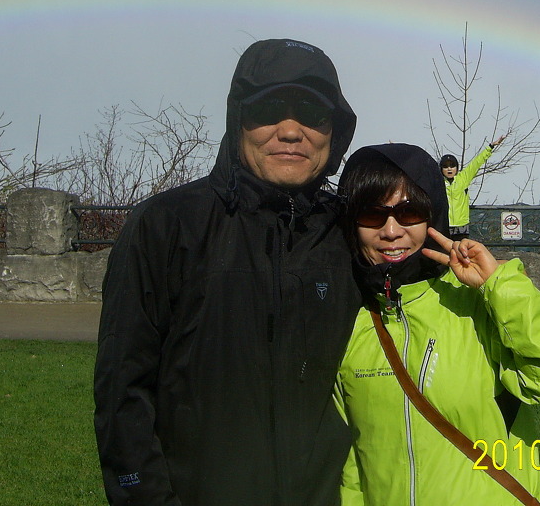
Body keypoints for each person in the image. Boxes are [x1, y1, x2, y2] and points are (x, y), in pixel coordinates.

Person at [94, 38, 360, 506]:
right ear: (238, 120)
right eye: (269, 109)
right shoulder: (166, 226)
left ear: (334, 132)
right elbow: (123, 392)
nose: (290, 131)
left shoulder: (350, 234)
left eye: (311, 113)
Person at [335, 143, 540, 506]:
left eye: (409, 212)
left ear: (433, 215)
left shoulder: (477, 301)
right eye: (372, 214)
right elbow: (353, 464)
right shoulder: (348, 320)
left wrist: (499, 285)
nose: (391, 231)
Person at [440, 133, 507, 239]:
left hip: (461, 226)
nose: (449, 169)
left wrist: (490, 147)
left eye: (452, 166)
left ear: (456, 168)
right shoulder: (438, 182)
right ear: (441, 169)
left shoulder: (463, 178)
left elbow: (476, 163)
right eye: (445, 166)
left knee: (461, 249)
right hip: (444, 225)